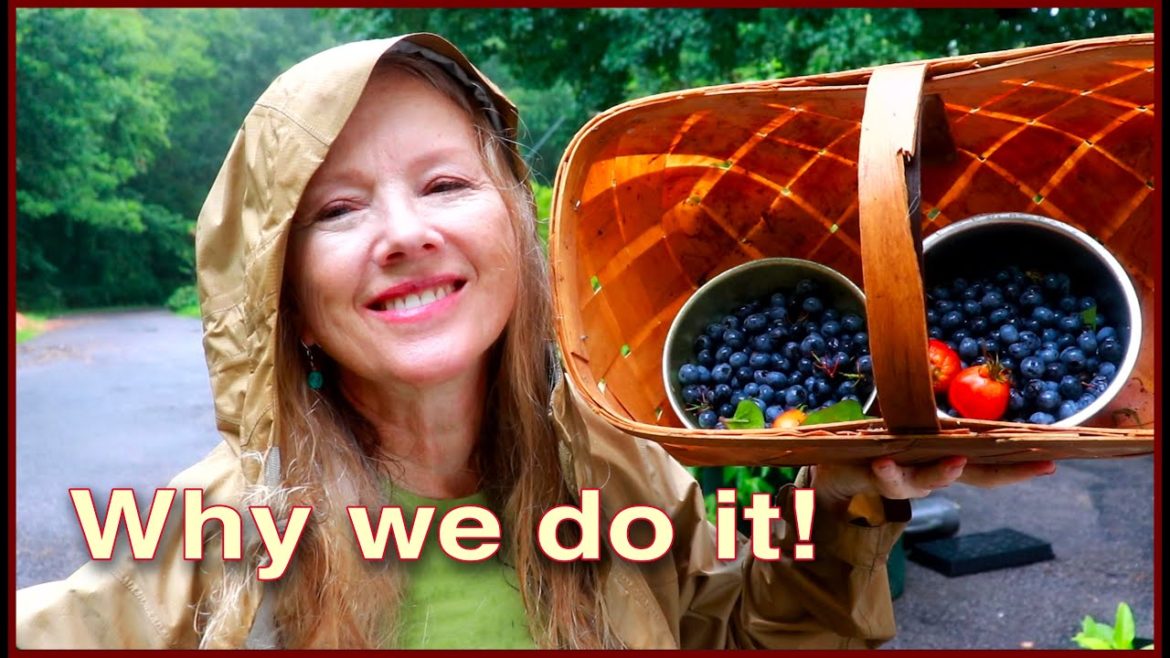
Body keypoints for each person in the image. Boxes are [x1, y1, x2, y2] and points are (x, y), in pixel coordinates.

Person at [15, 33, 1056, 649]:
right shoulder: (202, 546)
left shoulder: (628, 479)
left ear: (516, 225)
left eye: (445, 185)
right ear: (278, 287)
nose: (405, 233)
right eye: (335, 211)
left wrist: (842, 510)